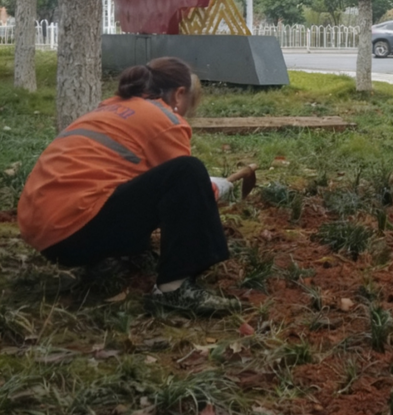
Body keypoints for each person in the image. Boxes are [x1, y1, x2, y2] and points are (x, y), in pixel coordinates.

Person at [17, 57, 239, 316]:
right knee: (188, 170)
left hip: (45, 232)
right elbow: (184, 188)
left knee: (125, 181)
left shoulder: (106, 109)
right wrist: (218, 187)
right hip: (76, 227)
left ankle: (120, 256)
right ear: (179, 94)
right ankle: (173, 288)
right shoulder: (166, 120)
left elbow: (133, 180)